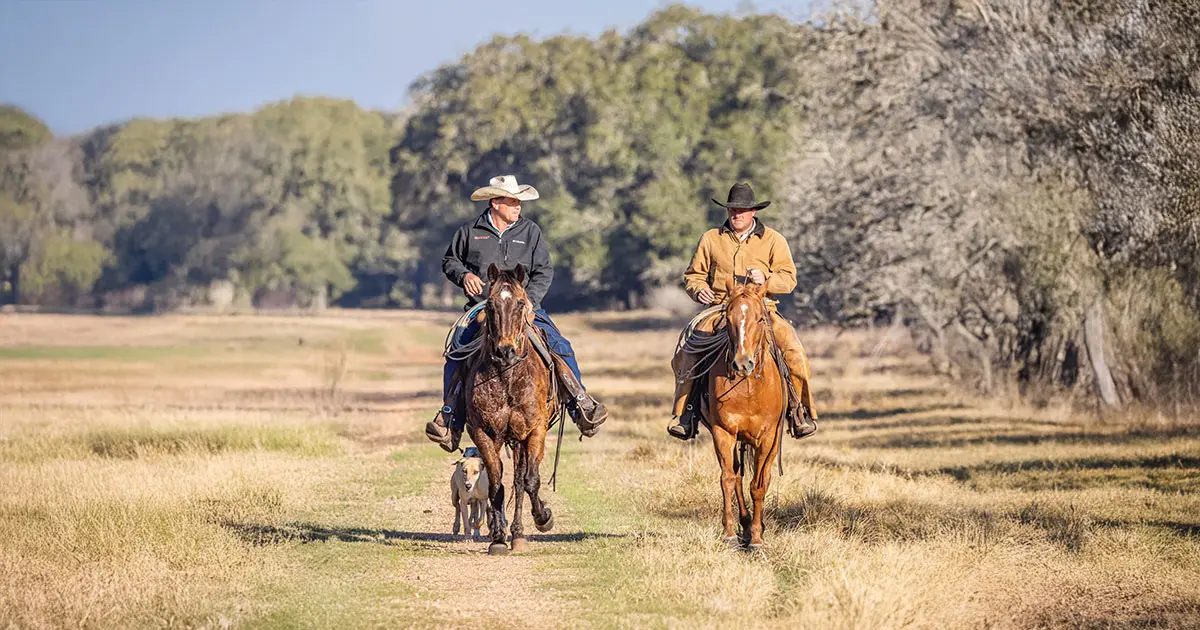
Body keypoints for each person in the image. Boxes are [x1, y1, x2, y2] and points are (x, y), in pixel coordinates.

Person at [424, 175, 608, 452]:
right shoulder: (469, 231)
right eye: (512, 201)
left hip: (525, 307)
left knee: (561, 346)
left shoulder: (530, 232)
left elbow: (544, 270)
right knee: (457, 352)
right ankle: (450, 417)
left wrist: (530, 300)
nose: (517, 207)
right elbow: (450, 260)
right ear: (495, 202)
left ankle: (579, 403)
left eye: (519, 202)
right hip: (482, 308)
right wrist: (464, 276)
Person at [668, 182, 818, 440]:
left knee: (794, 351)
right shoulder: (711, 238)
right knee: (688, 351)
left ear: (753, 212)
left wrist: (767, 279)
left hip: (762, 309)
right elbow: (693, 275)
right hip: (720, 309)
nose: (737, 214)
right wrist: (698, 289)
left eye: (742, 210)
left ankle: (799, 410)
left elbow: (789, 279)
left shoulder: (773, 240)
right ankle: (686, 413)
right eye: (732, 210)